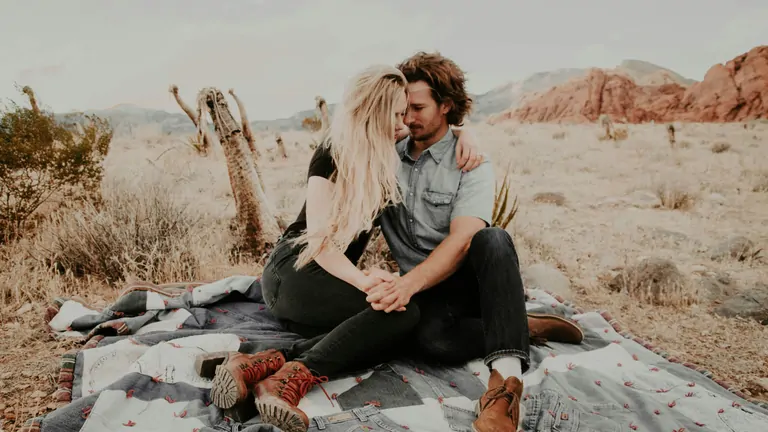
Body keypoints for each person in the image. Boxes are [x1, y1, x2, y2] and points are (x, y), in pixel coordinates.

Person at [202, 64, 483, 432]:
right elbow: (319, 243)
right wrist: (365, 281)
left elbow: (433, 133)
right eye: (397, 113)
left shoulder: (388, 150)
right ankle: (285, 379)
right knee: (402, 316)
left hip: (326, 289)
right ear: (377, 112)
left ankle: (260, 365)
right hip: (296, 271)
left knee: (391, 330)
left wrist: (463, 132)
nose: (404, 123)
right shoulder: (332, 154)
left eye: (406, 113)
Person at [363, 52, 584, 432]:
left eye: (417, 108)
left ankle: (506, 384)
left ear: (445, 105)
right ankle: (520, 325)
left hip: (467, 282)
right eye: (402, 109)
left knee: (492, 238)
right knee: (432, 344)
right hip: (426, 291)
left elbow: (465, 239)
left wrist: (406, 285)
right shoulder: (385, 156)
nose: (407, 118)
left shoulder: (472, 162)